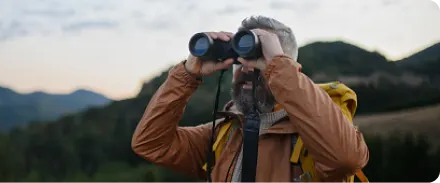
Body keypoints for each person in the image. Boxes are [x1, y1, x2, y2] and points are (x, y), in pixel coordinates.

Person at [131, 15, 369, 183]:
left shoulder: (316, 136)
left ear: (287, 67)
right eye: (240, 60)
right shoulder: (225, 134)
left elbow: (346, 160)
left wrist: (278, 67)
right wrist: (187, 74)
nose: (246, 69)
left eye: (259, 60)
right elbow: (150, 144)